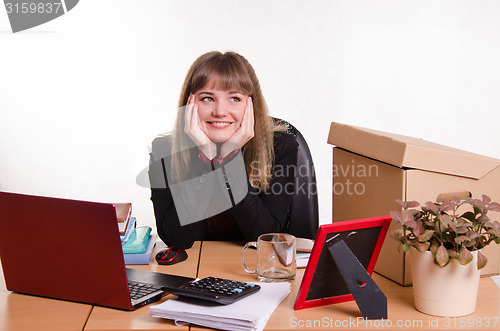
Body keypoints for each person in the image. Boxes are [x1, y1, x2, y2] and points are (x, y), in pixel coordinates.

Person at [149, 51, 298, 261]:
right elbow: (177, 239)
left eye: (234, 98)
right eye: (208, 98)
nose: (220, 111)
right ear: (190, 104)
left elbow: (266, 237)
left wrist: (228, 159)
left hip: (253, 270)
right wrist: (205, 158)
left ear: (250, 105)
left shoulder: (281, 146)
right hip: (194, 271)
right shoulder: (163, 151)